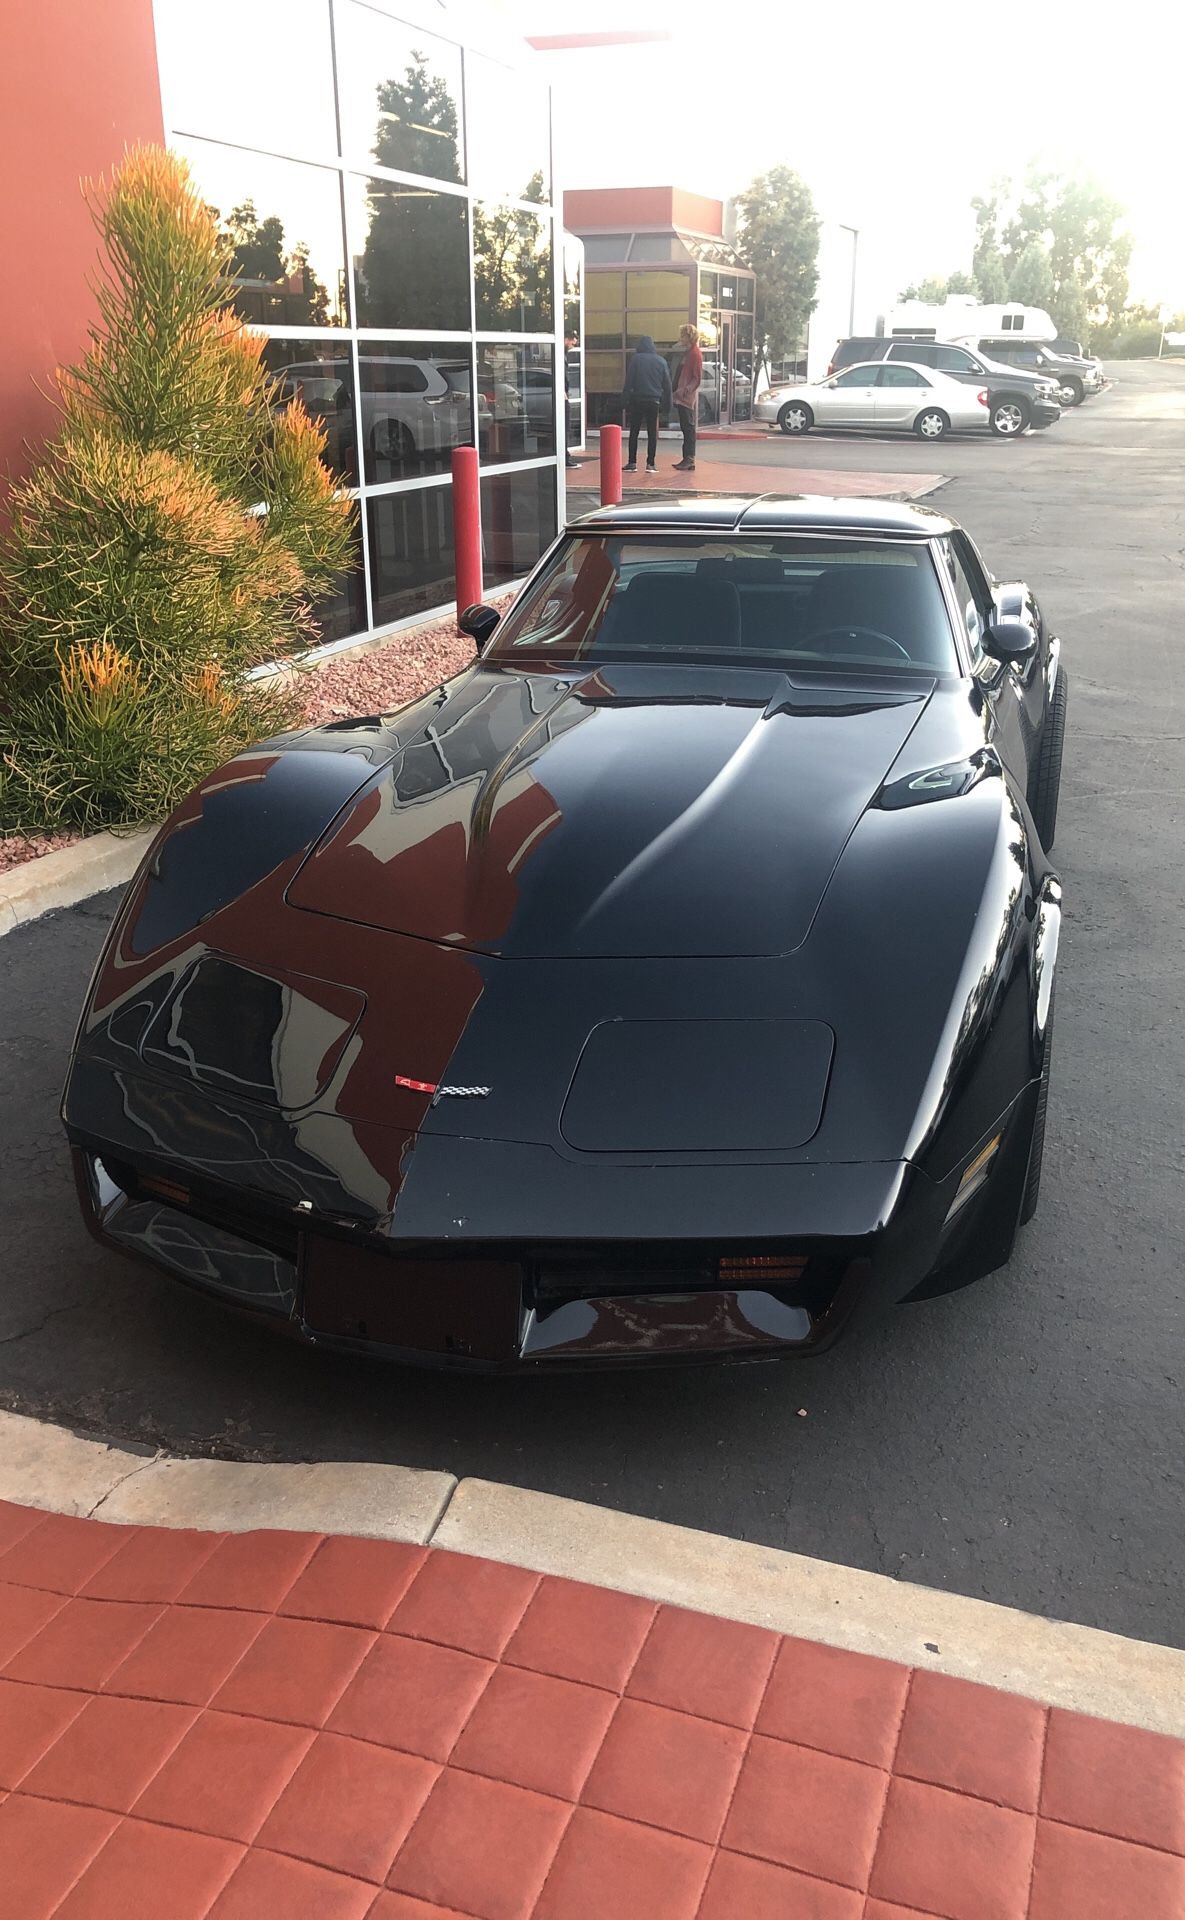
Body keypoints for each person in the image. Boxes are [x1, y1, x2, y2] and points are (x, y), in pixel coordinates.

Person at [622, 335, 672, 473]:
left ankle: (632, 462)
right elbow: (667, 385)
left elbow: (629, 382)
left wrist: (624, 401)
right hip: (654, 401)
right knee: (652, 433)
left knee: (634, 432)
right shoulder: (661, 361)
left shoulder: (636, 359)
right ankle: (651, 463)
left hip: (637, 400)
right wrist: (668, 405)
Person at [672, 323, 703, 471]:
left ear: (688, 336)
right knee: (686, 428)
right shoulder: (689, 353)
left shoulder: (695, 354)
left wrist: (684, 391)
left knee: (688, 428)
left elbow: (697, 378)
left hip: (686, 398)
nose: (681, 338)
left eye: (683, 335)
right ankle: (687, 458)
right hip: (682, 396)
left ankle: (689, 459)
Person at [563, 332, 581, 468]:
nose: (572, 346)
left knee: (565, 427)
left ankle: (564, 456)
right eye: (572, 343)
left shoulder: (561, 355)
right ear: (566, 339)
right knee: (564, 427)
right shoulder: (558, 354)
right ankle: (564, 457)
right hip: (561, 396)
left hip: (562, 394)